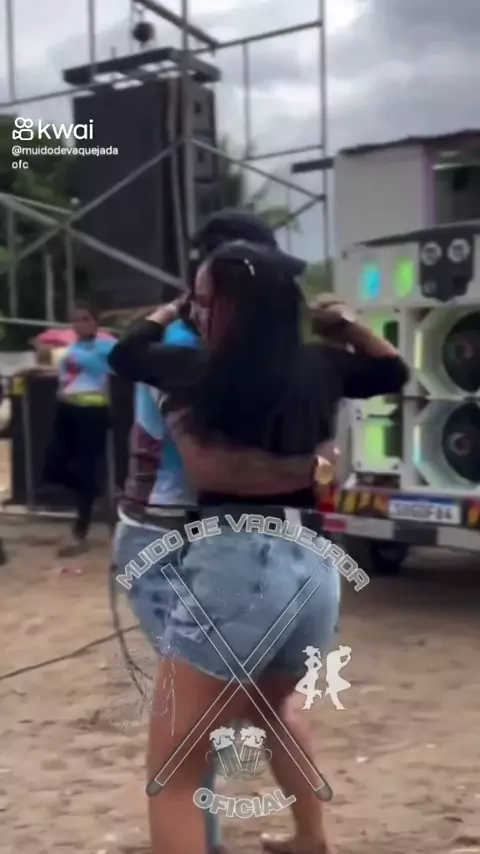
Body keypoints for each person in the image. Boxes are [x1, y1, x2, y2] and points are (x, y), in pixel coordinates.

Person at [108, 240, 409, 854]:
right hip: (312, 560)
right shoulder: (320, 366)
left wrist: (168, 310)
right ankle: (310, 841)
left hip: (239, 559)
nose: (198, 309)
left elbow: (126, 353)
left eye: (204, 299)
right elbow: (393, 371)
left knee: (173, 772)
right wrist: (344, 325)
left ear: (225, 307)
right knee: (274, 712)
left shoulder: (195, 370)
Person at [113, 209, 307, 854]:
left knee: (213, 721)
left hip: (202, 542)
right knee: (228, 713)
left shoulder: (210, 354)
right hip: (188, 540)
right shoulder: (209, 354)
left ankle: (267, 839)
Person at [42, 301, 115, 558]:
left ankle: (81, 526)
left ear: (96, 322)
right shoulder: (71, 348)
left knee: (85, 466)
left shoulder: (107, 346)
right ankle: (93, 490)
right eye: (75, 319)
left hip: (92, 410)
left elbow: (124, 367)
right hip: (66, 409)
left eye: (85, 319)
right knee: (52, 467)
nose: (79, 324)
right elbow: (63, 374)